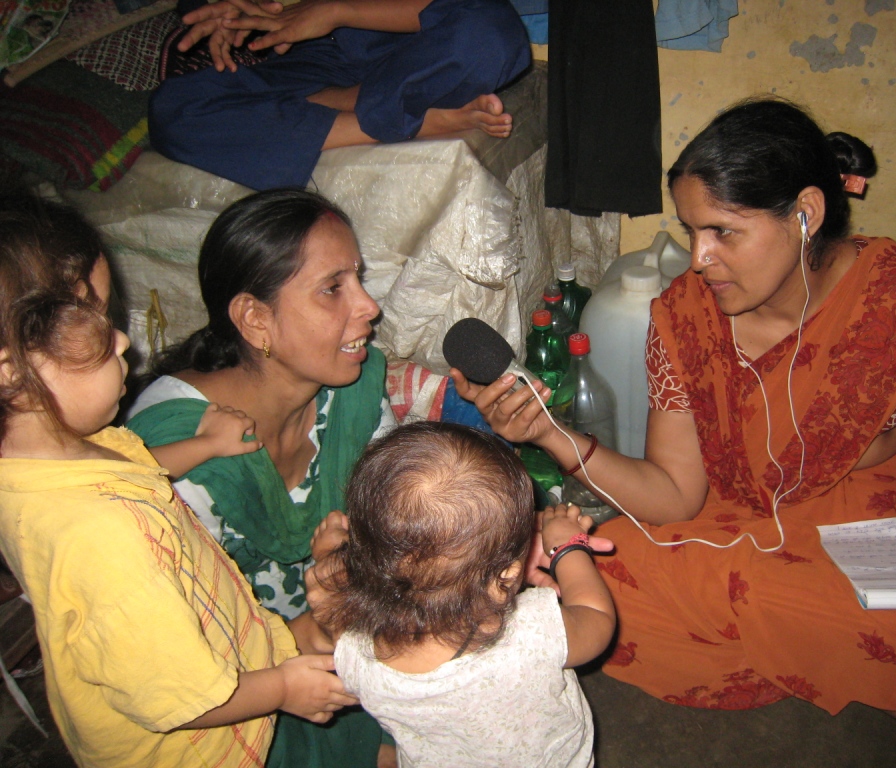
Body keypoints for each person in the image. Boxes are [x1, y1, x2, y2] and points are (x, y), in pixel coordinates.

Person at [451, 97, 896, 768]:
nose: (698, 259)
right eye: (692, 231)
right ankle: (875, 675)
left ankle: (865, 668)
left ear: (805, 215)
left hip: (875, 513)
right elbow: (674, 497)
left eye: (724, 231)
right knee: (593, 584)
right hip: (731, 516)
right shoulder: (685, 316)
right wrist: (553, 437)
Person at [0, 199, 352, 767]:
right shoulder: (103, 539)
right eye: (91, 325)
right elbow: (182, 698)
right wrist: (284, 689)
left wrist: (204, 446)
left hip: (221, 648)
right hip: (197, 748)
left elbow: (135, 464)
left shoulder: (41, 460)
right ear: (9, 370)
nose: (121, 342)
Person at [126, 187, 399, 768]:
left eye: (359, 278)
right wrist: (318, 627)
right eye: (334, 288)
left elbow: (389, 524)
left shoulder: (354, 394)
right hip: (232, 698)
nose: (369, 306)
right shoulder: (172, 462)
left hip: (342, 637)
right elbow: (173, 664)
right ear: (255, 319)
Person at [309, 421, 615, 767]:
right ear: (508, 575)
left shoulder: (355, 653)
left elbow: (337, 607)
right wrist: (567, 547)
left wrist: (328, 559)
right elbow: (597, 620)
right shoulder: (528, 632)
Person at [148, 0, 531, 190]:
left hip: (415, 46)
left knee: (492, 33)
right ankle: (415, 118)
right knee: (174, 109)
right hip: (313, 58)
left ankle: (350, 104)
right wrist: (235, 13)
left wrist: (336, 10)